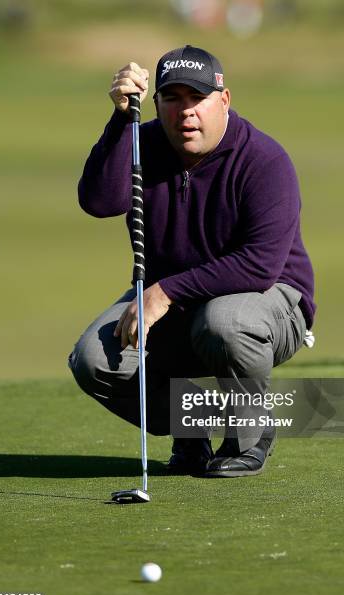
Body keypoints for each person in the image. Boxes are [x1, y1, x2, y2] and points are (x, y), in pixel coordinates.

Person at [69, 45, 315, 477]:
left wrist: (163, 293)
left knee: (224, 323)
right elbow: (99, 201)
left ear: (223, 100)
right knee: (94, 360)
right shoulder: (143, 143)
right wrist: (120, 120)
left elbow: (258, 266)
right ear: (158, 103)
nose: (186, 112)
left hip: (267, 303)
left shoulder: (264, 160)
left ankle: (251, 431)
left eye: (197, 98)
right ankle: (195, 427)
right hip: (179, 305)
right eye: (172, 99)